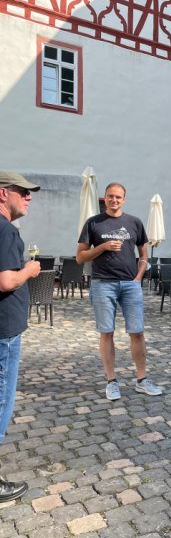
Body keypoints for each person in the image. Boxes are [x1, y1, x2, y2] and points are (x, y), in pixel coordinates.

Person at [77, 183, 162, 401]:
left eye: (118, 197)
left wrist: (138, 277)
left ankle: (142, 380)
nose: (114, 200)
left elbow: (143, 254)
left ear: (124, 199)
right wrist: (102, 247)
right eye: (110, 196)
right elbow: (80, 257)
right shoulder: (93, 223)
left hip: (130, 285)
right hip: (103, 283)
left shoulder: (134, 222)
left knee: (137, 332)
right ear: (104, 198)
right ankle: (111, 381)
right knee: (107, 332)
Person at [0, 171, 41, 502]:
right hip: (5, 331)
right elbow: (6, 282)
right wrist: (30, 269)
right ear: (3, 194)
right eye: (22, 192)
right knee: (1, 401)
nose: (28, 197)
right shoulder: (5, 230)